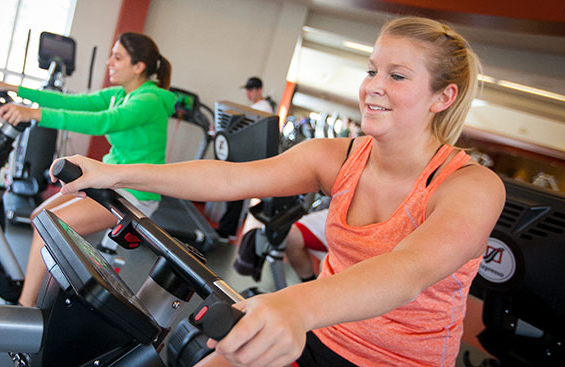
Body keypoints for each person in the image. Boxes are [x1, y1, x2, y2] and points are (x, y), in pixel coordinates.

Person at [54, 16, 505, 367]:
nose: (373, 87)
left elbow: (408, 271)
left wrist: (295, 306)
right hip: (323, 333)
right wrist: (114, 175)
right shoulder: (339, 156)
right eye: (372, 70)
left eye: (398, 76)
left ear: (442, 97)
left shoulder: (472, 187)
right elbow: (231, 179)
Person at [0, 32, 175, 307]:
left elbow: (103, 123)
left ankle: (24, 313)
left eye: (118, 57)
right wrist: (13, 88)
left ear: (139, 67)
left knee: (46, 229)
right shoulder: (120, 94)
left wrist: (35, 114)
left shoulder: (150, 100)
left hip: (134, 191)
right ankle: (55, 290)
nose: (110, 62)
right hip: (110, 178)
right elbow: (71, 102)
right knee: (41, 216)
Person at [216, 77, 276, 240]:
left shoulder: (263, 109)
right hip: (243, 156)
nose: (248, 93)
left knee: (235, 194)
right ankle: (227, 228)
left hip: (250, 159)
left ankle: (227, 230)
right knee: (233, 194)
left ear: (259, 90)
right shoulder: (255, 108)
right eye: (247, 90)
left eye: (251, 90)